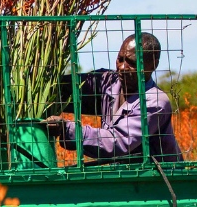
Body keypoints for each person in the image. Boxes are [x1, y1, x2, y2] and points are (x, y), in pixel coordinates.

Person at [43, 32, 182, 162]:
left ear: (153, 64)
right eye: (120, 59)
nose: (122, 67)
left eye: (131, 63)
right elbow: (67, 88)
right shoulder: (109, 82)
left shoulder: (154, 102)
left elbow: (117, 142)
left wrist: (66, 128)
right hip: (126, 175)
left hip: (159, 179)